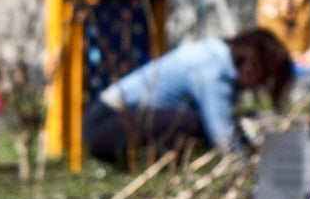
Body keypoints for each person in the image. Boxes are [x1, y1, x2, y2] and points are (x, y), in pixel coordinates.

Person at [82, 26, 294, 166]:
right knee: (192, 123)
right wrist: (246, 169)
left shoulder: (214, 53)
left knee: (195, 121)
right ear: (253, 64)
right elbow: (222, 135)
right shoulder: (213, 71)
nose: (260, 85)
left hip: (104, 118)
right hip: (105, 126)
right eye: (265, 77)